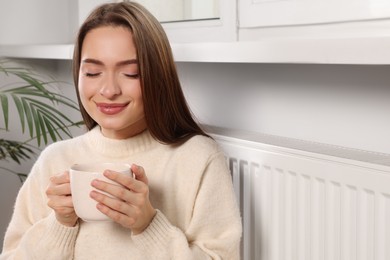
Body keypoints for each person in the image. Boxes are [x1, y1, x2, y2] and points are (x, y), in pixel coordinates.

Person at [0, 2, 242, 259]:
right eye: (93, 72)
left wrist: (148, 226)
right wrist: (59, 224)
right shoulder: (55, 161)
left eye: (131, 73)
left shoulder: (198, 158)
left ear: (157, 75)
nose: (109, 90)